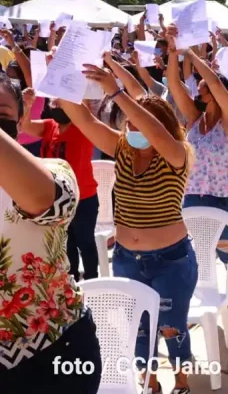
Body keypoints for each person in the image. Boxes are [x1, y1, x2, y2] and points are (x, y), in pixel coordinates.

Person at [58, 59, 196, 394]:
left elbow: (158, 135)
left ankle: (181, 380)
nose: (133, 132)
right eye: (129, 126)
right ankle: (150, 383)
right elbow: (82, 118)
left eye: (140, 125)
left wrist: (118, 92)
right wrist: (59, 76)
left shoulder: (175, 153)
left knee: (171, 328)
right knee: (139, 329)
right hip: (126, 257)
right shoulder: (121, 147)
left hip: (172, 260)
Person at [0, 75, 101, 393]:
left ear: (15, 121)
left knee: (86, 245)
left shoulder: (55, 169)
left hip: (53, 353)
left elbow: (52, 201)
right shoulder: (48, 128)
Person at [165, 26, 228, 332]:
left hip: (226, 200)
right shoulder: (195, 119)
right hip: (193, 197)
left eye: (203, 89)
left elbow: (214, 80)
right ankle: (197, 308)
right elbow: (173, 84)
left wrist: (191, 51)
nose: (199, 92)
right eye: (200, 89)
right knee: (194, 257)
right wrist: (174, 51)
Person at [19, 92, 99, 282]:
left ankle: (92, 280)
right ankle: (71, 280)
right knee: (66, 242)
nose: (55, 105)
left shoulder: (84, 127)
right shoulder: (49, 126)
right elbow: (27, 126)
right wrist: (28, 105)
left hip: (84, 198)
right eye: (53, 102)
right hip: (57, 197)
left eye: (60, 102)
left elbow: (84, 106)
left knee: (85, 241)